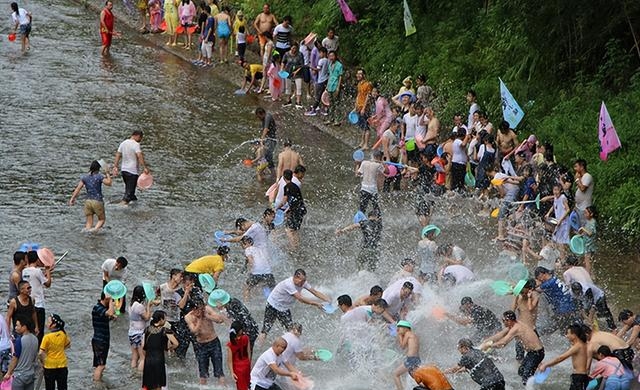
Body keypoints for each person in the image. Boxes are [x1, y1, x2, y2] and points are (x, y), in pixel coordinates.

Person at [258, 269, 330, 341]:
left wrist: (327, 299)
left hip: (284, 308)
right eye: (301, 281)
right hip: (272, 305)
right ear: (295, 277)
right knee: (265, 330)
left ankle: (292, 345)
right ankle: (259, 346)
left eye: (304, 281)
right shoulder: (288, 284)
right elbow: (300, 298)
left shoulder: (303, 282)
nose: (302, 283)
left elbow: (314, 292)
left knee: (291, 330)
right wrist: (316, 304)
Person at [480, 310, 545, 385]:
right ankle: (534, 380)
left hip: (537, 353)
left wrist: (489, 345)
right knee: (521, 371)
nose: (503, 322)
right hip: (531, 353)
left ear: (509, 320)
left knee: (526, 376)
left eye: (503, 320)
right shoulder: (513, 325)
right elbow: (500, 335)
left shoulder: (516, 328)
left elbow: (503, 343)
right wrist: (486, 341)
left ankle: (533, 385)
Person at [184, 298, 226, 386]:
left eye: (202, 309)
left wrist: (208, 316)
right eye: (199, 310)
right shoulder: (188, 317)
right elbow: (194, 331)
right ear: (193, 310)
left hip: (214, 342)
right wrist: (199, 319)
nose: (201, 311)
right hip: (201, 345)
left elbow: (220, 320)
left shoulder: (207, 310)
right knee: (203, 374)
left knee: (219, 371)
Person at [538, 324, 589, 390]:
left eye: (568, 333)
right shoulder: (583, 344)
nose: (566, 336)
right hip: (581, 377)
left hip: (579, 377)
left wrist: (546, 365)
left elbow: (561, 358)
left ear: (574, 335)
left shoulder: (577, 346)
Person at [69, 160, 113, 232]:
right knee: (102, 219)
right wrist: (107, 173)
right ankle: (94, 231)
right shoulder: (99, 176)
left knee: (89, 223)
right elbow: (109, 183)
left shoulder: (85, 177)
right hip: (97, 201)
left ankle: (88, 234)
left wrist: (72, 199)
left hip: (88, 202)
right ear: (98, 168)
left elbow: (78, 188)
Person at [534, 266, 579, 334]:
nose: (540, 280)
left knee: (552, 327)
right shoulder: (554, 278)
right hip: (570, 306)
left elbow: (535, 289)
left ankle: (538, 336)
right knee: (566, 328)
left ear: (541, 274)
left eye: (539, 279)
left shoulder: (548, 283)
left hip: (564, 309)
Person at [142, 310, 178, 390]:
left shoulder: (147, 329)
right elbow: (176, 343)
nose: (165, 320)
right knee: (158, 385)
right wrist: (169, 348)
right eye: (165, 319)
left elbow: (144, 346)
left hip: (148, 360)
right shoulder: (165, 330)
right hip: (159, 360)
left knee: (149, 384)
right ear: (161, 319)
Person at [112, 130, 150, 206]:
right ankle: (120, 206)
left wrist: (115, 166)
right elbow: (139, 155)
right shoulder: (136, 145)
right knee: (129, 193)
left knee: (130, 192)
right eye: (140, 138)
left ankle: (134, 203)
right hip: (132, 171)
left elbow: (118, 155)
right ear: (138, 136)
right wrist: (144, 167)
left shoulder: (123, 143)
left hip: (124, 171)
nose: (140, 141)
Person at [22, 250, 52, 345]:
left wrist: (44, 274)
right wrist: (47, 270)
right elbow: (48, 284)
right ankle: (38, 350)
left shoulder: (24, 271)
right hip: (38, 305)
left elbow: (35, 278)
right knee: (39, 331)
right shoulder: (38, 271)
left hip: (28, 304)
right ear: (37, 260)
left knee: (30, 329)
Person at [275, 168, 307, 249]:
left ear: (284, 177)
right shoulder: (295, 186)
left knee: (289, 230)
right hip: (301, 210)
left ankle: (293, 247)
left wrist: (275, 208)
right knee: (295, 230)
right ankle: (297, 246)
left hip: (296, 210)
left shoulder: (287, 187)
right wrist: (289, 210)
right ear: (292, 177)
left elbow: (284, 201)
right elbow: (295, 200)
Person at [4, 319, 38, 389]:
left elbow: (15, 359)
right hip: (31, 376)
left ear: (24, 327)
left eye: (17, 325)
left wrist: (8, 373)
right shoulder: (35, 339)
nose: (15, 328)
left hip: (19, 376)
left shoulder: (20, 340)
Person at [39, 314, 71, 390]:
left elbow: (40, 353)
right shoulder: (63, 334)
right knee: (63, 387)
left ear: (53, 325)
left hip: (50, 366)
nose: (46, 323)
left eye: (48, 321)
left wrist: (43, 362)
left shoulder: (47, 337)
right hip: (62, 365)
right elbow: (68, 345)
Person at [240, 236, 276, 301]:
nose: (242, 247)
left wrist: (249, 271)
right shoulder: (259, 249)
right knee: (266, 286)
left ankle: (247, 304)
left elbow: (250, 260)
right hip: (268, 272)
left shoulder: (248, 249)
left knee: (247, 288)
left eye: (242, 245)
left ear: (246, 243)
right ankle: (270, 301)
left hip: (257, 272)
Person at [92, 294, 116, 382]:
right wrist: (111, 302)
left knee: (99, 364)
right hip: (100, 341)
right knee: (101, 365)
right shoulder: (98, 307)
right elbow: (110, 312)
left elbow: (106, 316)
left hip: (102, 340)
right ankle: (96, 384)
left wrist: (111, 318)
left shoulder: (101, 308)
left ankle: (98, 380)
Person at [356, 149, 386, 216]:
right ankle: (379, 222)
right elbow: (387, 172)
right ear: (379, 158)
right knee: (376, 207)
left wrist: (357, 164)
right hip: (373, 190)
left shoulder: (364, 163)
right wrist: (384, 163)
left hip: (364, 189)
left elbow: (357, 174)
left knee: (362, 209)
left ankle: (359, 223)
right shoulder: (378, 165)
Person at [128, 286, 152, 371]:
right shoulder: (139, 306)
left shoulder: (131, 304)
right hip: (139, 333)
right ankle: (139, 374)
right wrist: (149, 306)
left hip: (131, 332)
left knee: (134, 356)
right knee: (143, 357)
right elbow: (147, 317)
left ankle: (133, 370)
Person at [227, 321, 251, 390]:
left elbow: (230, 361)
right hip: (246, 365)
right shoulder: (246, 338)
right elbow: (248, 352)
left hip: (238, 369)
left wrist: (232, 373)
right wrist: (249, 364)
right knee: (247, 386)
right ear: (240, 331)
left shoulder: (230, 344)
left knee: (241, 387)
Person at [354, 68, 373, 149]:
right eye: (357, 74)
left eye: (360, 74)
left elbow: (368, 97)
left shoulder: (368, 84)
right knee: (362, 126)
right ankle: (362, 142)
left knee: (366, 126)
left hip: (365, 108)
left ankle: (366, 144)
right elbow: (359, 95)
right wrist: (356, 106)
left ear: (364, 75)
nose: (358, 75)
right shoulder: (359, 84)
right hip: (359, 107)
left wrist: (364, 108)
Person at [325, 50, 344, 127]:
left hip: (336, 85)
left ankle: (337, 120)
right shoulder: (330, 64)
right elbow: (329, 76)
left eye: (332, 56)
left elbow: (340, 77)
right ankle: (330, 118)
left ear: (335, 56)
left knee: (337, 103)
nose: (331, 57)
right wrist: (327, 86)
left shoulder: (339, 65)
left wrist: (338, 88)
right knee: (330, 103)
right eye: (330, 56)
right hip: (330, 85)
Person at [578, 205, 598, 274]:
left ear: (591, 214)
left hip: (589, 246)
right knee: (590, 261)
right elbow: (587, 232)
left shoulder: (593, 222)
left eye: (586, 213)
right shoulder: (588, 221)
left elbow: (590, 233)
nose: (584, 214)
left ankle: (588, 276)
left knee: (587, 262)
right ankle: (592, 275)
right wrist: (582, 235)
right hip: (587, 244)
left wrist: (583, 229)